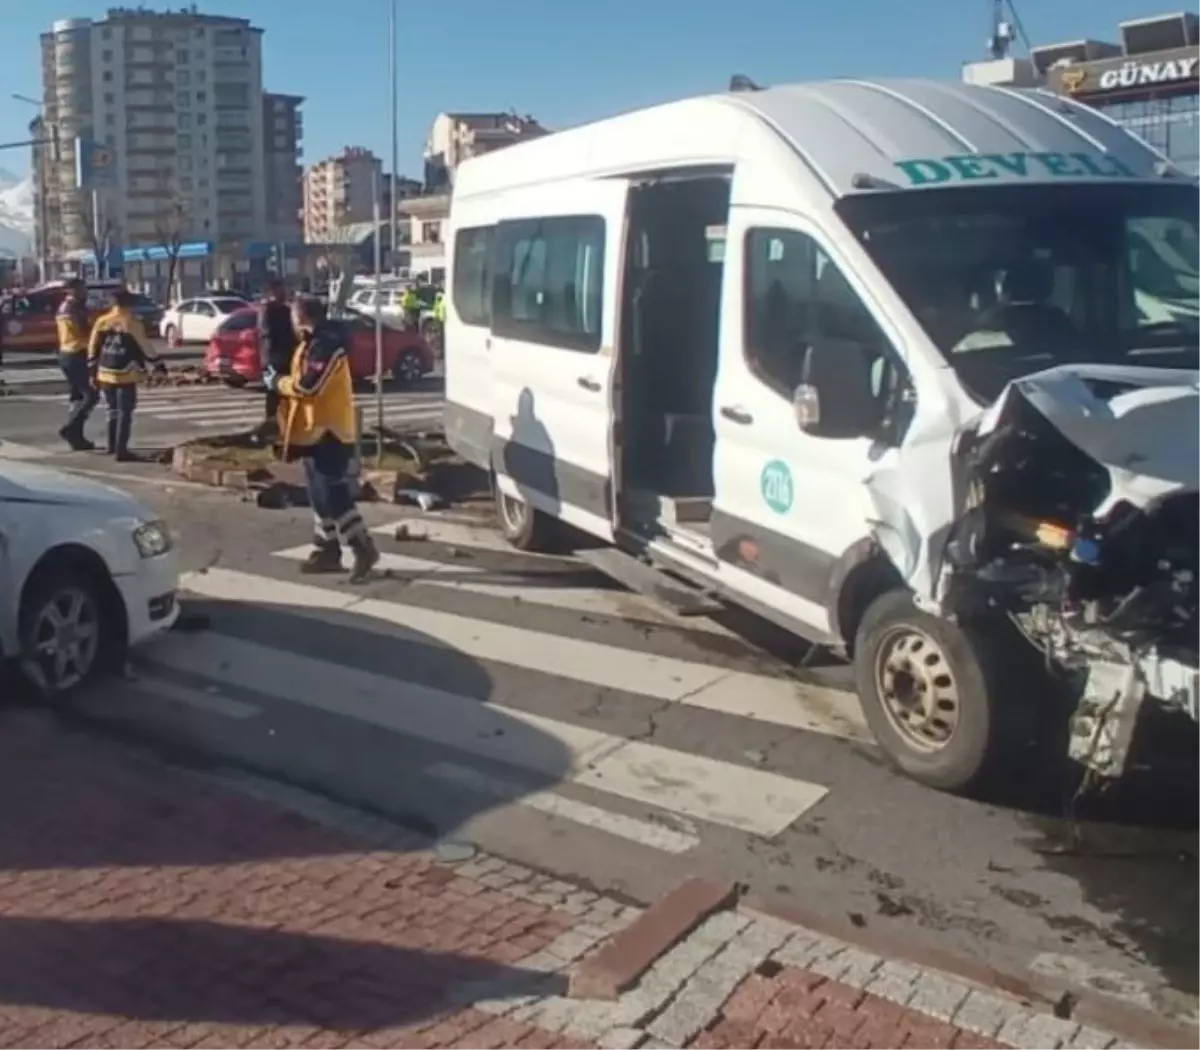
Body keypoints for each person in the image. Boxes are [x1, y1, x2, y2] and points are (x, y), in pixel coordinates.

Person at [265, 295, 379, 581]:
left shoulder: (327, 345)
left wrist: (277, 383)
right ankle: (326, 549)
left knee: (334, 495)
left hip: (331, 432)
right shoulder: (311, 343)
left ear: (302, 317)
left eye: (293, 316)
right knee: (318, 495)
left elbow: (310, 386)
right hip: (314, 432)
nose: (291, 322)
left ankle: (362, 547)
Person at [88, 287, 164, 461]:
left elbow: (93, 347)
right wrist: (158, 365)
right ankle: (122, 451)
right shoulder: (131, 322)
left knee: (111, 409)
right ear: (129, 303)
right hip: (126, 372)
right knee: (125, 412)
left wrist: (92, 369)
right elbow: (146, 347)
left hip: (105, 371)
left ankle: (111, 445)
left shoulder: (102, 321)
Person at [55, 278, 99, 450]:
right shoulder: (75, 308)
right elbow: (85, 331)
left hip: (66, 353)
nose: (85, 292)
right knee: (91, 395)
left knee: (77, 397)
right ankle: (72, 429)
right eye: (82, 289)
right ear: (72, 290)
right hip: (76, 353)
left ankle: (77, 438)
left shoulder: (64, 307)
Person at [257, 278, 297, 431]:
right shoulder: (268, 310)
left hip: (286, 358)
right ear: (272, 292)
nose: (284, 293)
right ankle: (272, 425)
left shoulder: (286, 309)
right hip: (274, 359)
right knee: (274, 394)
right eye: (281, 290)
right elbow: (268, 334)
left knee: (285, 394)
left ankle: (285, 424)